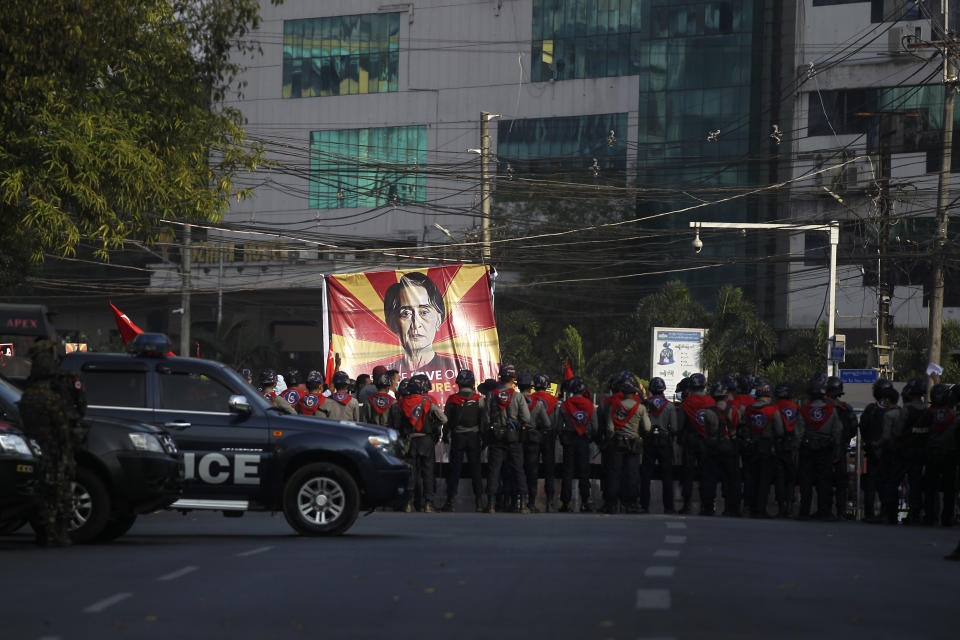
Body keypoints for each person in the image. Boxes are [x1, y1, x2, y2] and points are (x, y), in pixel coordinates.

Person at [18, 340, 87, 547]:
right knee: (61, 488)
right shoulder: (52, 395)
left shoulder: (28, 395)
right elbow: (65, 425)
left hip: (35, 448)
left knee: (43, 489)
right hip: (56, 448)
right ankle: (57, 532)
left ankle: (46, 532)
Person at [382, 272, 459, 380]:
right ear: (392, 323)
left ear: (438, 320)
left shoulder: (456, 369)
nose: (416, 324)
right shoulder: (386, 376)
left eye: (424, 312)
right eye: (406, 313)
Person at [391, 376, 447, 512]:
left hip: (409, 441)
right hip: (426, 441)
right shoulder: (427, 402)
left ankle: (408, 503)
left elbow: (397, 424)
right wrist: (434, 424)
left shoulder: (401, 403)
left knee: (411, 473)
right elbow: (443, 419)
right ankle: (428, 504)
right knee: (428, 473)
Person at [483, 364, 531, 514]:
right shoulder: (518, 396)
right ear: (514, 379)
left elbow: (485, 418)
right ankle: (522, 504)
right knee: (518, 470)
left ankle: (491, 504)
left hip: (496, 438)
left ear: (500, 377)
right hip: (513, 438)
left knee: (494, 470)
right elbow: (527, 418)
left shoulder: (492, 395)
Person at [601, 373, 649, 514]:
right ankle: (631, 503)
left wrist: (609, 439)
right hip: (634, 444)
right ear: (635, 392)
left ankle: (612, 503)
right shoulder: (640, 408)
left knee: (614, 473)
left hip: (617, 444)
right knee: (632, 474)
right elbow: (647, 428)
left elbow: (610, 428)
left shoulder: (614, 406)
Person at [796, 378, 844, 521]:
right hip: (825, 450)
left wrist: (795, 449)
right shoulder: (831, 410)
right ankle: (825, 511)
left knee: (806, 481)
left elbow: (798, 432)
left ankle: (804, 511)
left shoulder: (804, 410)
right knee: (824, 481)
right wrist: (837, 449)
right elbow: (838, 431)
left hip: (807, 449)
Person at [441, 370, 486, 512]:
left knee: (454, 470)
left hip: (457, 437)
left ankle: (450, 502)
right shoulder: (479, 399)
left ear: (458, 383)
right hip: (474, 437)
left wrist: (445, 436)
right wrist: (484, 438)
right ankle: (479, 502)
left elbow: (446, 421)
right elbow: (483, 421)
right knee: (476, 470)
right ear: (472, 384)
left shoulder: (452, 399)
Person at [741, 380, 784, 518]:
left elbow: (743, 427)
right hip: (766, 448)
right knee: (764, 480)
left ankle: (748, 507)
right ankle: (760, 509)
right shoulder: (773, 410)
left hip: (750, 447)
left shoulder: (748, 409)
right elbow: (780, 431)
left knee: (750, 479)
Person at [859, 379, 896, 522]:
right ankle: (887, 513)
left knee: (871, 484)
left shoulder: (871, 409)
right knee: (887, 483)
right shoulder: (894, 410)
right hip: (888, 453)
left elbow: (863, 427)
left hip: (874, 452)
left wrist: (869, 442)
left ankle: (870, 514)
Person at [679, 373, 716, 515]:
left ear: (691, 387)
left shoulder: (686, 403)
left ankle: (686, 503)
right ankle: (707, 505)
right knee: (706, 473)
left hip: (690, 441)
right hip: (707, 441)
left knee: (688, 473)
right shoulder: (711, 401)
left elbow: (679, 425)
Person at [558, 376, 596, 513]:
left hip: (569, 441)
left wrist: (562, 436)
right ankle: (585, 501)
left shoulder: (565, 405)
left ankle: (565, 503)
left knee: (567, 472)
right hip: (583, 441)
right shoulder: (589, 405)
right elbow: (595, 426)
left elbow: (558, 426)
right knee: (584, 472)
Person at [922, 383, 958, 527]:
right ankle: (947, 517)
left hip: (931, 455)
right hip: (950, 455)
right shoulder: (954, 415)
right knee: (949, 489)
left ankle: (930, 516)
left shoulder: (928, 413)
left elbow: (919, 432)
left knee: (931, 488)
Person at [641, 377, 677, 514]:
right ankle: (668, 507)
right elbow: (674, 427)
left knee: (646, 475)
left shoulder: (645, 404)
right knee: (667, 475)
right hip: (664, 442)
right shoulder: (669, 406)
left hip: (649, 441)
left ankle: (644, 505)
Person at [705, 381, 741, 517]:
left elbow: (707, 431)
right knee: (731, 479)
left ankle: (708, 507)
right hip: (729, 447)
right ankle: (731, 508)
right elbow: (737, 424)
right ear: (726, 396)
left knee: (711, 479)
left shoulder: (708, 412)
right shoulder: (733, 410)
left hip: (713, 448)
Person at [824, 376, 857, 520]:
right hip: (840, 449)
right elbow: (853, 429)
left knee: (825, 480)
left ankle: (825, 510)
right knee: (841, 482)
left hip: (825, 449)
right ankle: (841, 512)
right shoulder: (845, 408)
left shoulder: (821, 407)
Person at [528, 373, 560, 512]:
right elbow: (557, 423)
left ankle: (531, 500)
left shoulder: (529, 399)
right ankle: (550, 502)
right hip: (549, 437)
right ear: (547, 386)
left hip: (533, 436)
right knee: (549, 470)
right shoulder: (554, 400)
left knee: (532, 469)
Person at [773, 382, 800, 518]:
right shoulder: (795, 407)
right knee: (791, 478)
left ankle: (781, 506)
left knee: (780, 477)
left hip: (777, 446)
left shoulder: (774, 407)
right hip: (792, 447)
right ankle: (789, 504)